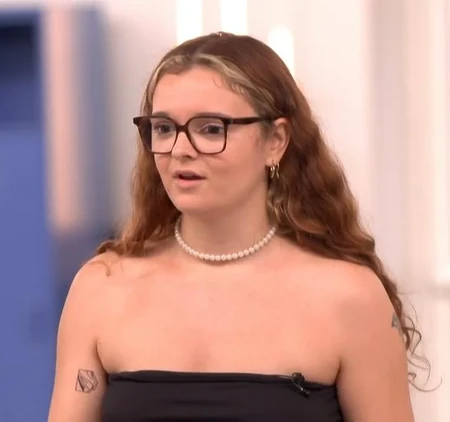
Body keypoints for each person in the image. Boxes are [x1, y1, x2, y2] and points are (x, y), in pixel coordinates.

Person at [48, 32, 422, 421]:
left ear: (276, 140)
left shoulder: (349, 297)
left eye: (211, 129)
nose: (180, 150)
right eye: (164, 128)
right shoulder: (102, 289)